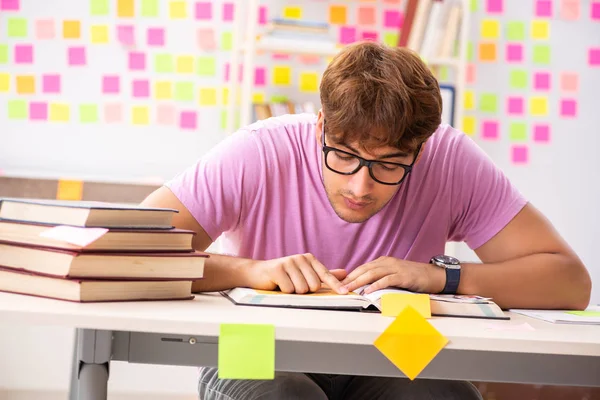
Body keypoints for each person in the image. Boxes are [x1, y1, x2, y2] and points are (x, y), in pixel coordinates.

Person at [141, 41, 591, 400]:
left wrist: (441, 278)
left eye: (390, 164)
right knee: (281, 395)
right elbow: (125, 250)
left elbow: (570, 282)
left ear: (422, 148)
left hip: (400, 341)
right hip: (254, 338)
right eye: (343, 156)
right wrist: (250, 271)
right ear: (320, 127)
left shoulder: (451, 159)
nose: (360, 187)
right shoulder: (259, 151)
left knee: (440, 395)